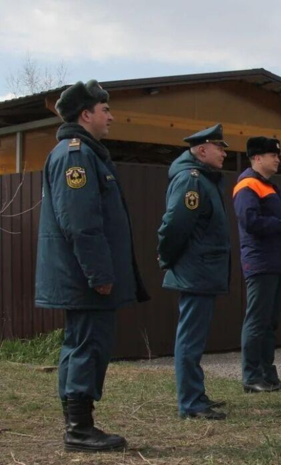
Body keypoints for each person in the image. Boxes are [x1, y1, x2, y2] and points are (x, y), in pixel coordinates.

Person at [35, 80, 149, 452]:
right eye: (105, 110)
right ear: (86, 114)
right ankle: (80, 429)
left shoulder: (83, 153)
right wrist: (98, 274)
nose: (111, 117)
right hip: (84, 277)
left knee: (79, 344)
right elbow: (80, 221)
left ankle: (77, 423)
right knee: (88, 346)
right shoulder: (76, 155)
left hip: (80, 274)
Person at [157, 124, 231, 420]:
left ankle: (196, 394)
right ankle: (190, 403)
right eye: (219, 147)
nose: (224, 153)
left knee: (195, 338)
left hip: (202, 270)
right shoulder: (192, 179)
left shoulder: (205, 179)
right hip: (195, 270)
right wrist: (167, 258)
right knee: (190, 338)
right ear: (202, 150)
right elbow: (174, 225)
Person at [233, 136, 281, 393]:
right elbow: (250, 221)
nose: (278, 159)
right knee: (257, 321)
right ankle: (251, 377)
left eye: (277, 155)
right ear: (257, 158)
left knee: (269, 322)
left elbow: (274, 222)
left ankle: (268, 376)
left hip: (275, 262)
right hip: (261, 262)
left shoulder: (270, 187)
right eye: (272, 155)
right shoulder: (248, 185)